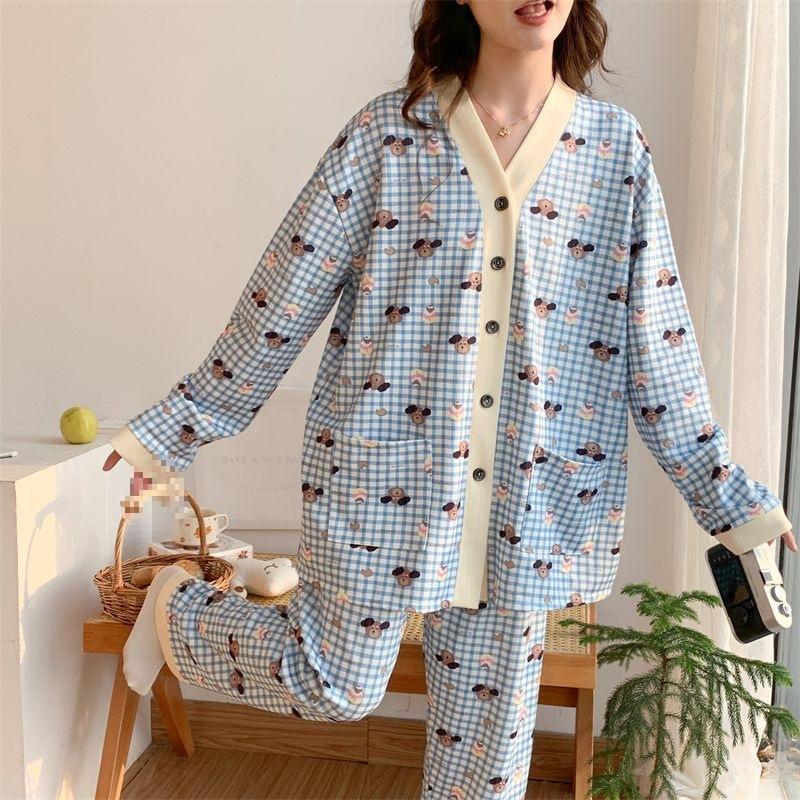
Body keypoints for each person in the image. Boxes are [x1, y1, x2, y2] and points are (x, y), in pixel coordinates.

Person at [103, 1, 796, 796]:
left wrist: (730, 501)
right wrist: (174, 428)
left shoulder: (614, 151)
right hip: (382, 483)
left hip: (528, 506)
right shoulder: (387, 137)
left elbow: (659, 349)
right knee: (334, 682)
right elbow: (282, 298)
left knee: (486, 769)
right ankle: (176, 611)